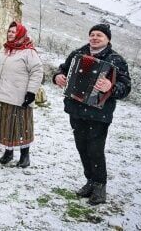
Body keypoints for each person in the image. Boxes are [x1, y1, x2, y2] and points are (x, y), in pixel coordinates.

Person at [53, 23, 131, 205]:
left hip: (99, 113)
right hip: (76, 109)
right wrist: (57, 76)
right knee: (82, 147)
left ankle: (100, 186)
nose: (95, 38)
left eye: (100, 35)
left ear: (108, 39)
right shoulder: (77, 54)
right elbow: (63, 69)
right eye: (92, 34)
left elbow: (126, 86)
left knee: (95, 150)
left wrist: (111, 87)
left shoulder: (116, 60)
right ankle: (90, 181)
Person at [0, 22, 43, 168]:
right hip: (2, 94)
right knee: (5, 126)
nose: (10, 34)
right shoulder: (5, 49)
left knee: (21, 126)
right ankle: (8, 152)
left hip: (19, 97)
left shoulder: (28, 52)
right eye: (9, 31)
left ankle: (25, 156)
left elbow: (37, 72)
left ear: (21, 33)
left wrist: (31, 92)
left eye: (14, 31)